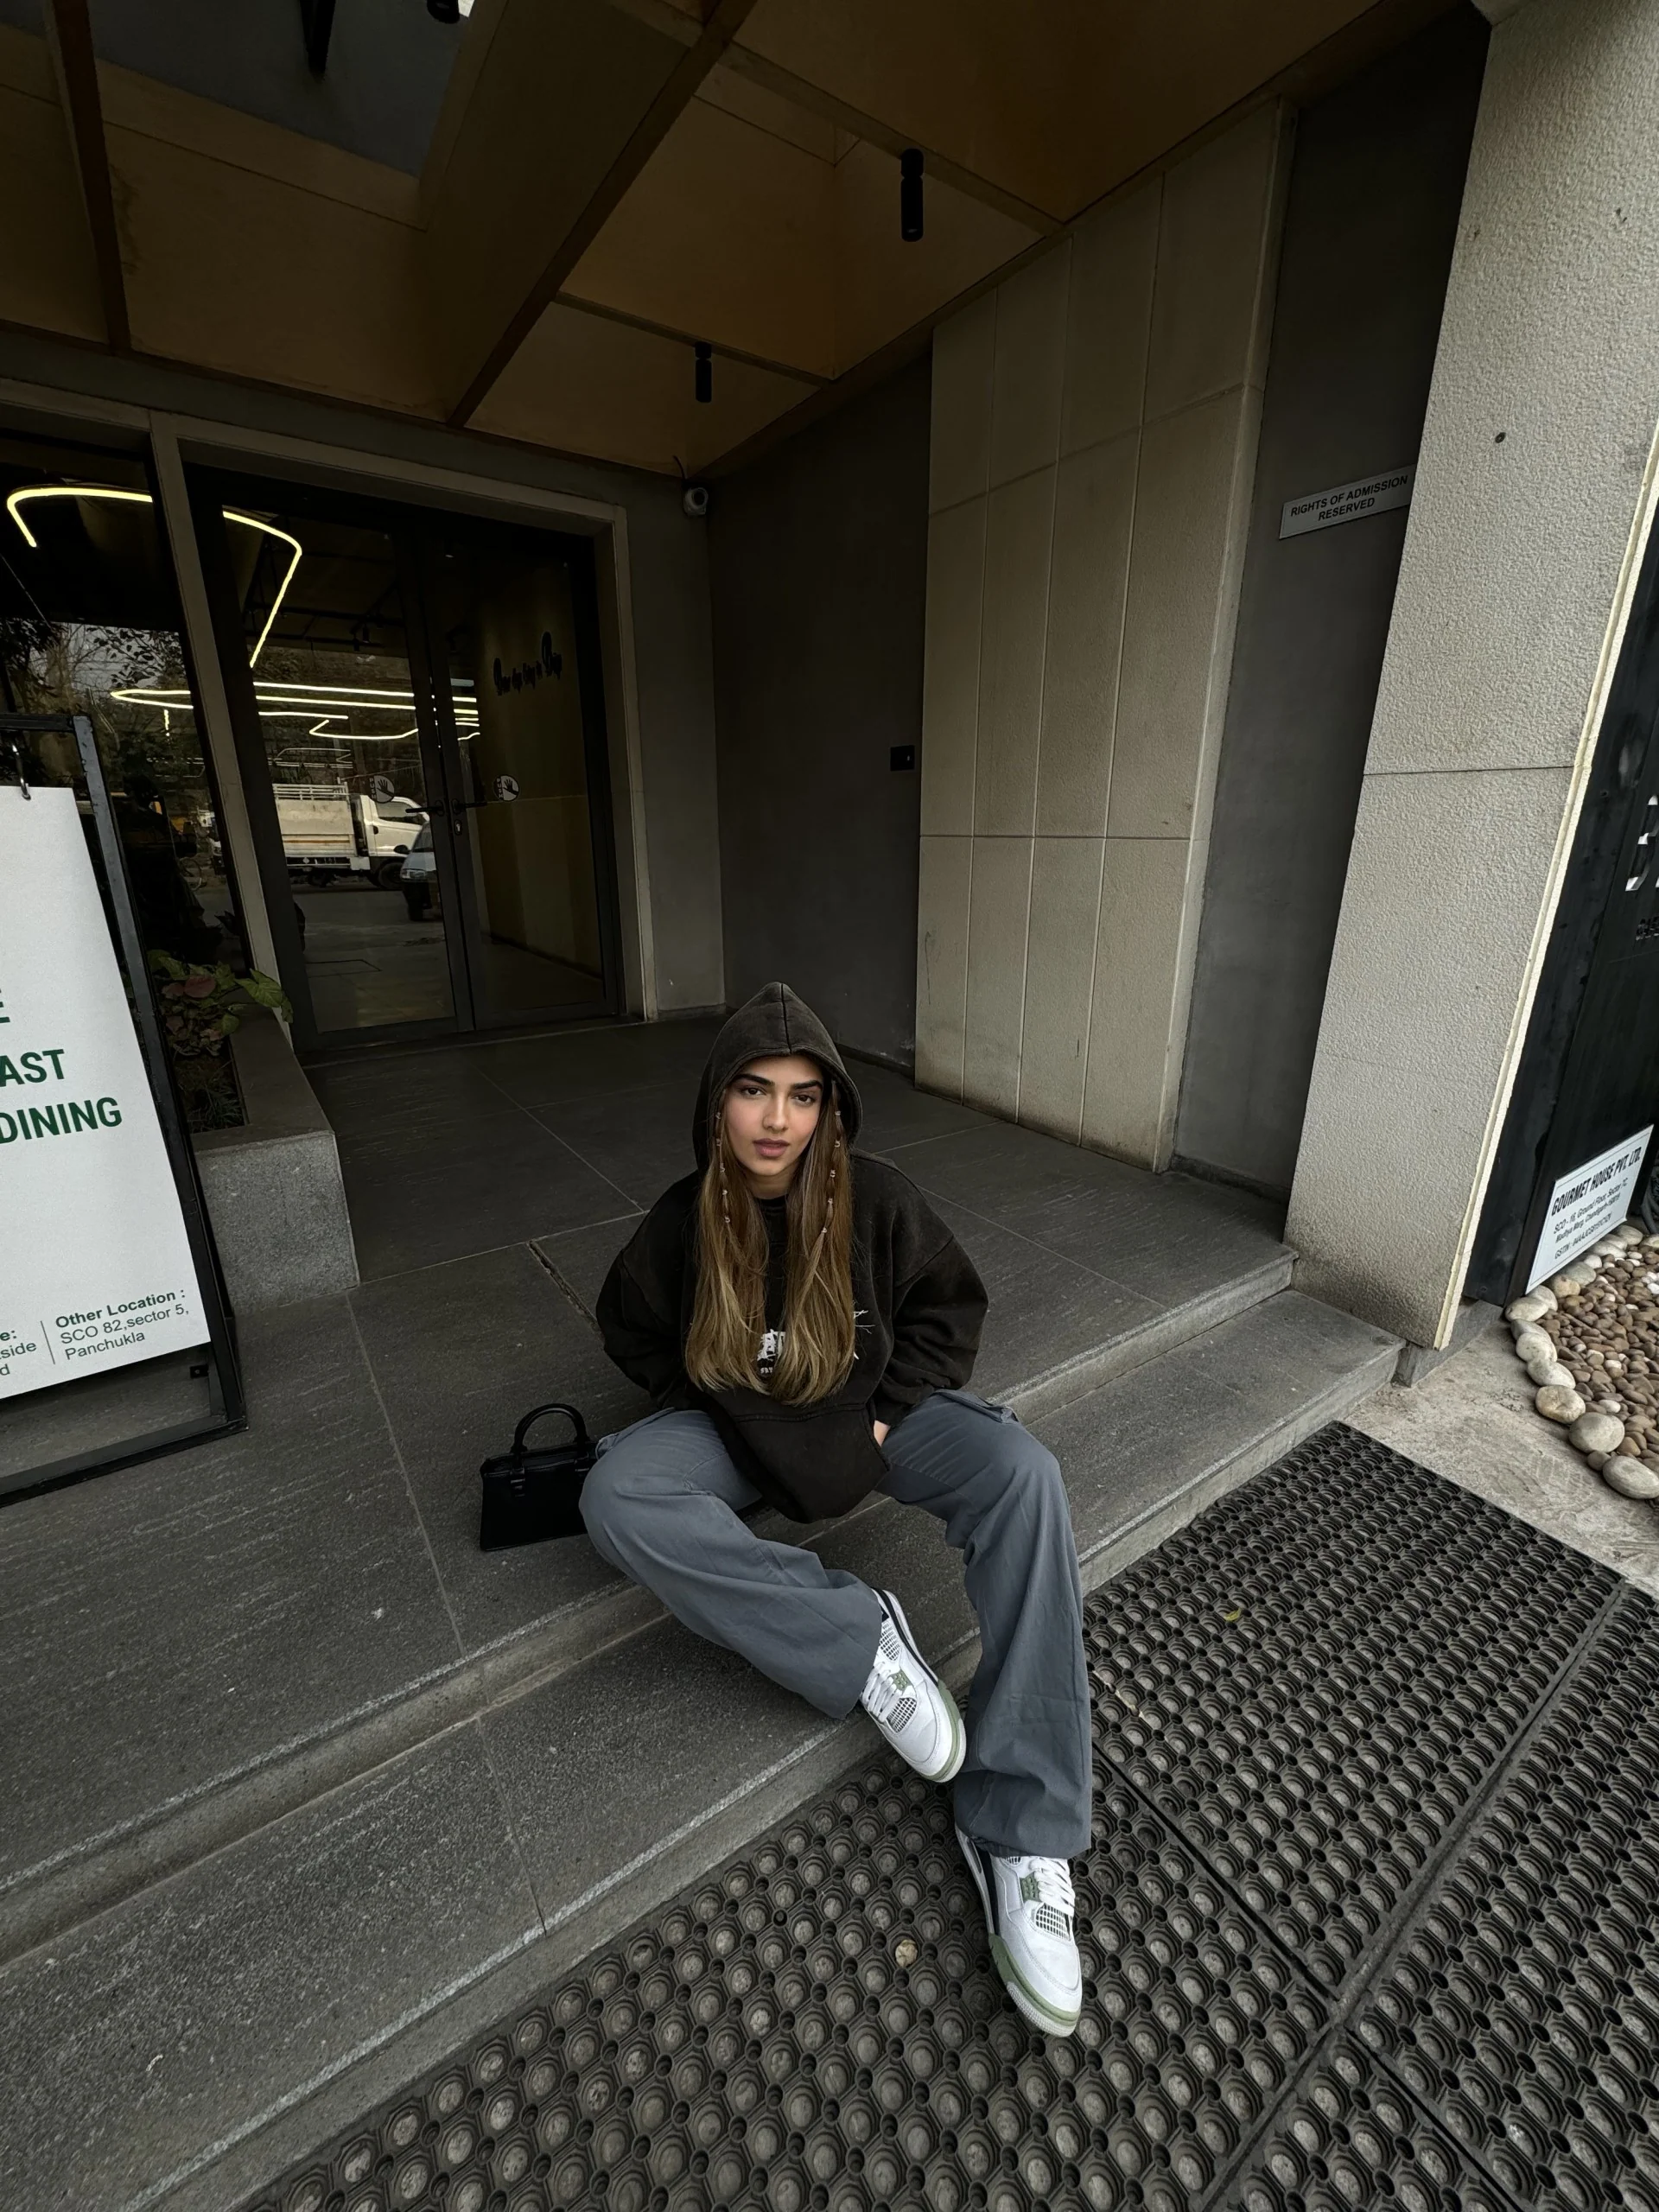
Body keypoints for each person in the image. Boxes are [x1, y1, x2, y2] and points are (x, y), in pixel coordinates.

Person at [584, 982, 1093, 2037]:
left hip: (867, 1420)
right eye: (753, 1092)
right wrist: (719, 1414)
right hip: (743, 1436)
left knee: (1023, 1472)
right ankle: (860, 1641)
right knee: (618, 1492)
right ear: (716, 1104)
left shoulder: (881, 1200)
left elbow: (950, 1315)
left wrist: (880, 1420)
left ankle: (1023, 1825)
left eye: (803, 1096)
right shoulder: (682, 1222)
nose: (777, 1120)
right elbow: (629, 1330)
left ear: (831, 1108)